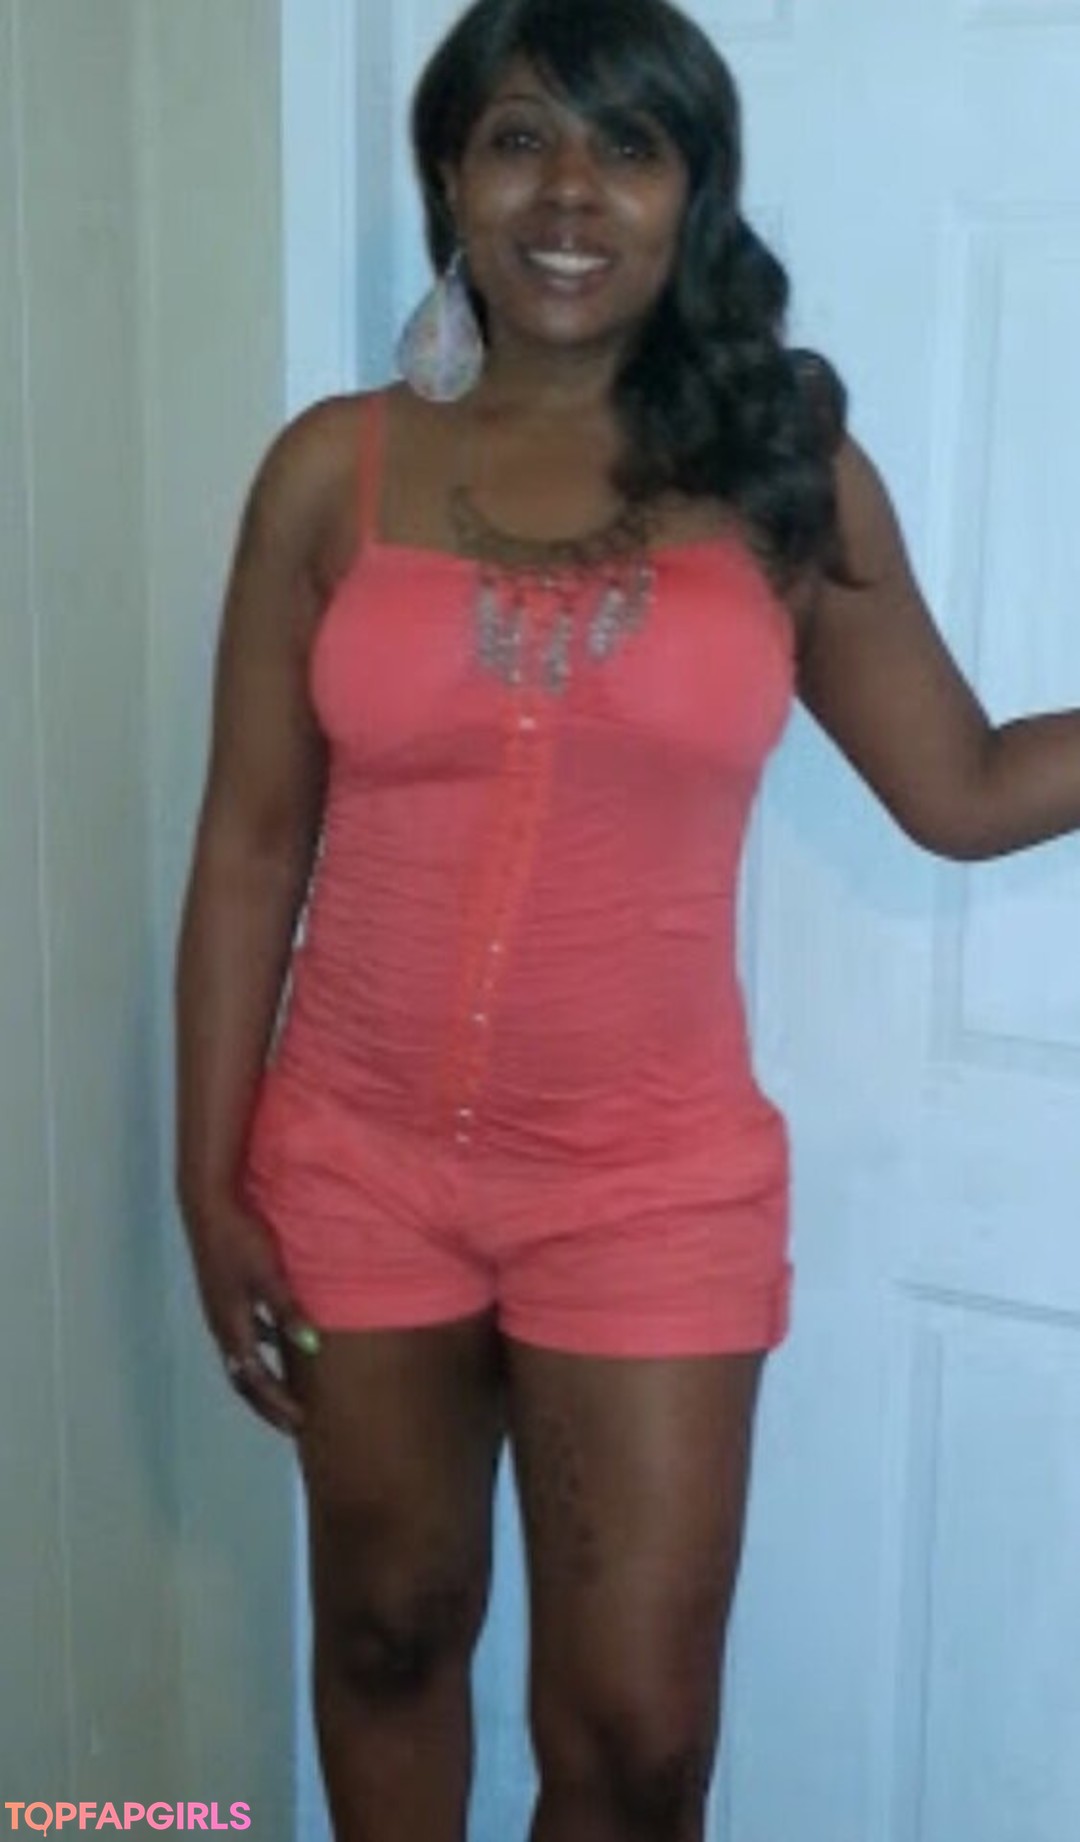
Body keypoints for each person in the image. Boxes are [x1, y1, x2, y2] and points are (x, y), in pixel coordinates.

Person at [174, 0, 1080, 1836]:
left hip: (648, 1186)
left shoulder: (781, 469)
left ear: (693, 193)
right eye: (520, 139)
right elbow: (254, 844)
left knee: (642, 1744)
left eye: (629, 147)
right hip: (349, 1162)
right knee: (385, 1637)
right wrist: (210, 1177)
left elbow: (967, 784)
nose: (570, 192)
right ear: (450, 178)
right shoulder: (331, 470)